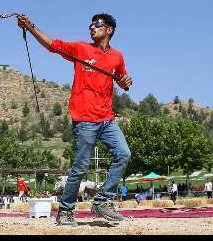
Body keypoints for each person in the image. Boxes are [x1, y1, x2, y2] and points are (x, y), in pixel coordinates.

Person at [17, 13, 132, 226]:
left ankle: (102, 201)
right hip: (85, 119)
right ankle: (66, 211)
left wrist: (125, 82)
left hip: (107, 119)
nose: (92, 27)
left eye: (98, 25)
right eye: (91, 24)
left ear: (109, 30)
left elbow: (123, 81)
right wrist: (31, 27)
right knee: (80, 167)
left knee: (124, 154)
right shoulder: (81, 49)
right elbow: (52, 44)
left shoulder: (117, 56)